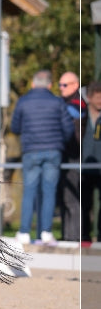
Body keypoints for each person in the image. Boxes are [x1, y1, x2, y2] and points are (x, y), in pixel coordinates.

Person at [10, 69, 75, 245]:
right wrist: (59, 142)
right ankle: (46, 232)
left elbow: (15, 127)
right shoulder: (57, 102)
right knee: (49, 191)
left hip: (30, 151)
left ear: (32, 84)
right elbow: (68, 129)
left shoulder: (23, 102)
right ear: (50, 85)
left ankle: (24, 231)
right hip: (53, 151)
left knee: (29, 191)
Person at [57, 71, 86, 241]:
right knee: (63, 198)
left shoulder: (77, 103)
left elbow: (69, 114)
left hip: (74, 156)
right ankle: (67, 236)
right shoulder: (63, 103)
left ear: (75, 85)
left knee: (72, 198)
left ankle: (74, 238)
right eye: (60, 85)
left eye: (64, 85)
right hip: (64, 156)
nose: (61, 88)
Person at [81, 82, 101, 244]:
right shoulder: (81, 116)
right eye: (97, 97)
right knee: (84, 204)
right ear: (89, 98)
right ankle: (84, 236)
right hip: (84, 166)